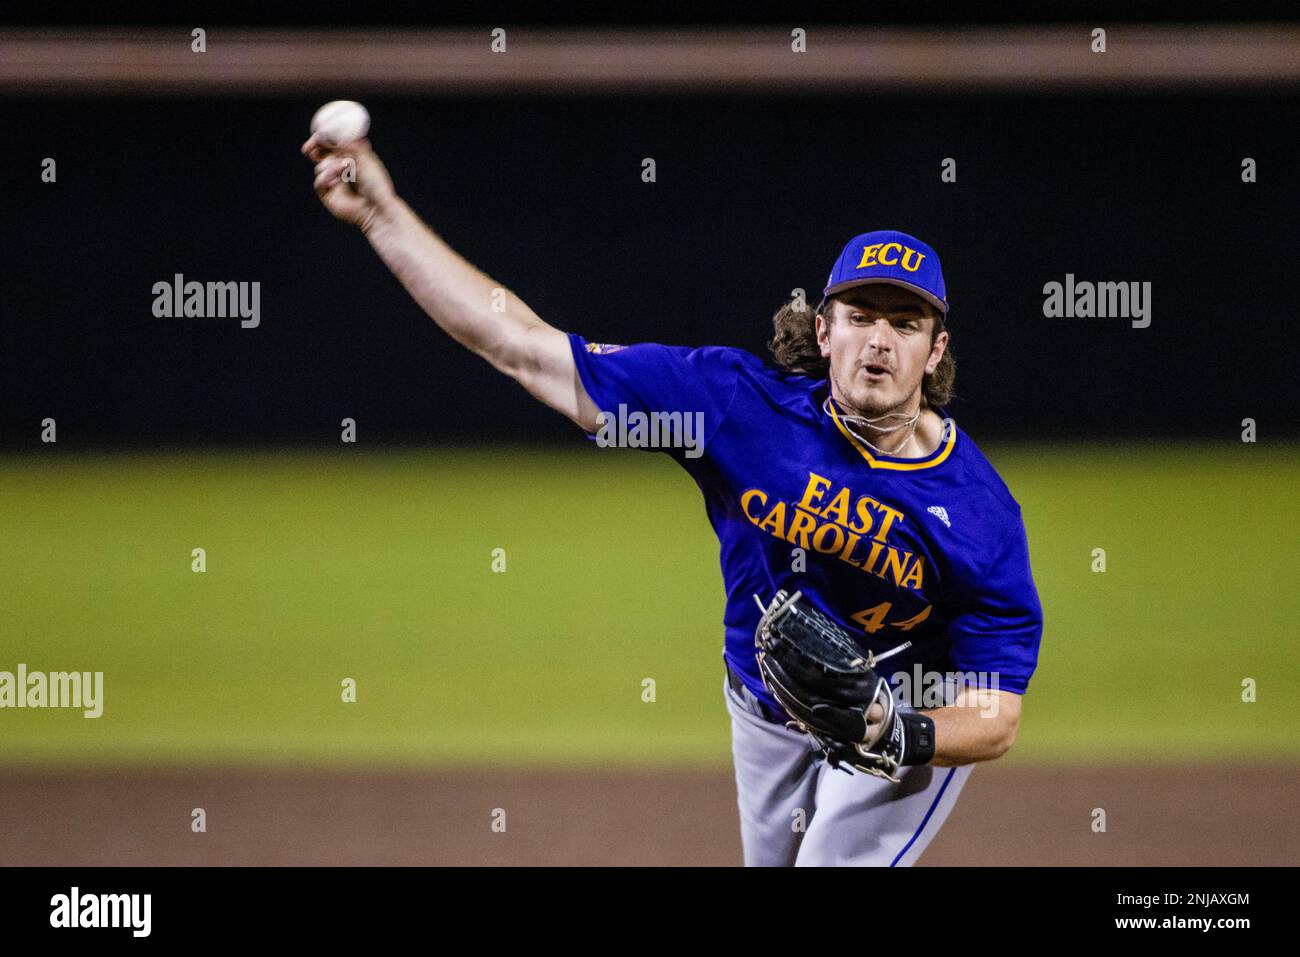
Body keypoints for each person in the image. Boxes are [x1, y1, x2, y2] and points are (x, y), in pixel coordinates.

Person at [303, 133, 1044, 867]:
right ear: (823, 331)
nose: (878, 340)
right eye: (859, 316)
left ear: (935, 351)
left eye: (905, 323)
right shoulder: (733, 408)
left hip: (907, 716)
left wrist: (896, 729)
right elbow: (524, 347)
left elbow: (997, 714)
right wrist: (382, 217)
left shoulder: (978, 510)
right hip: (766, 707)